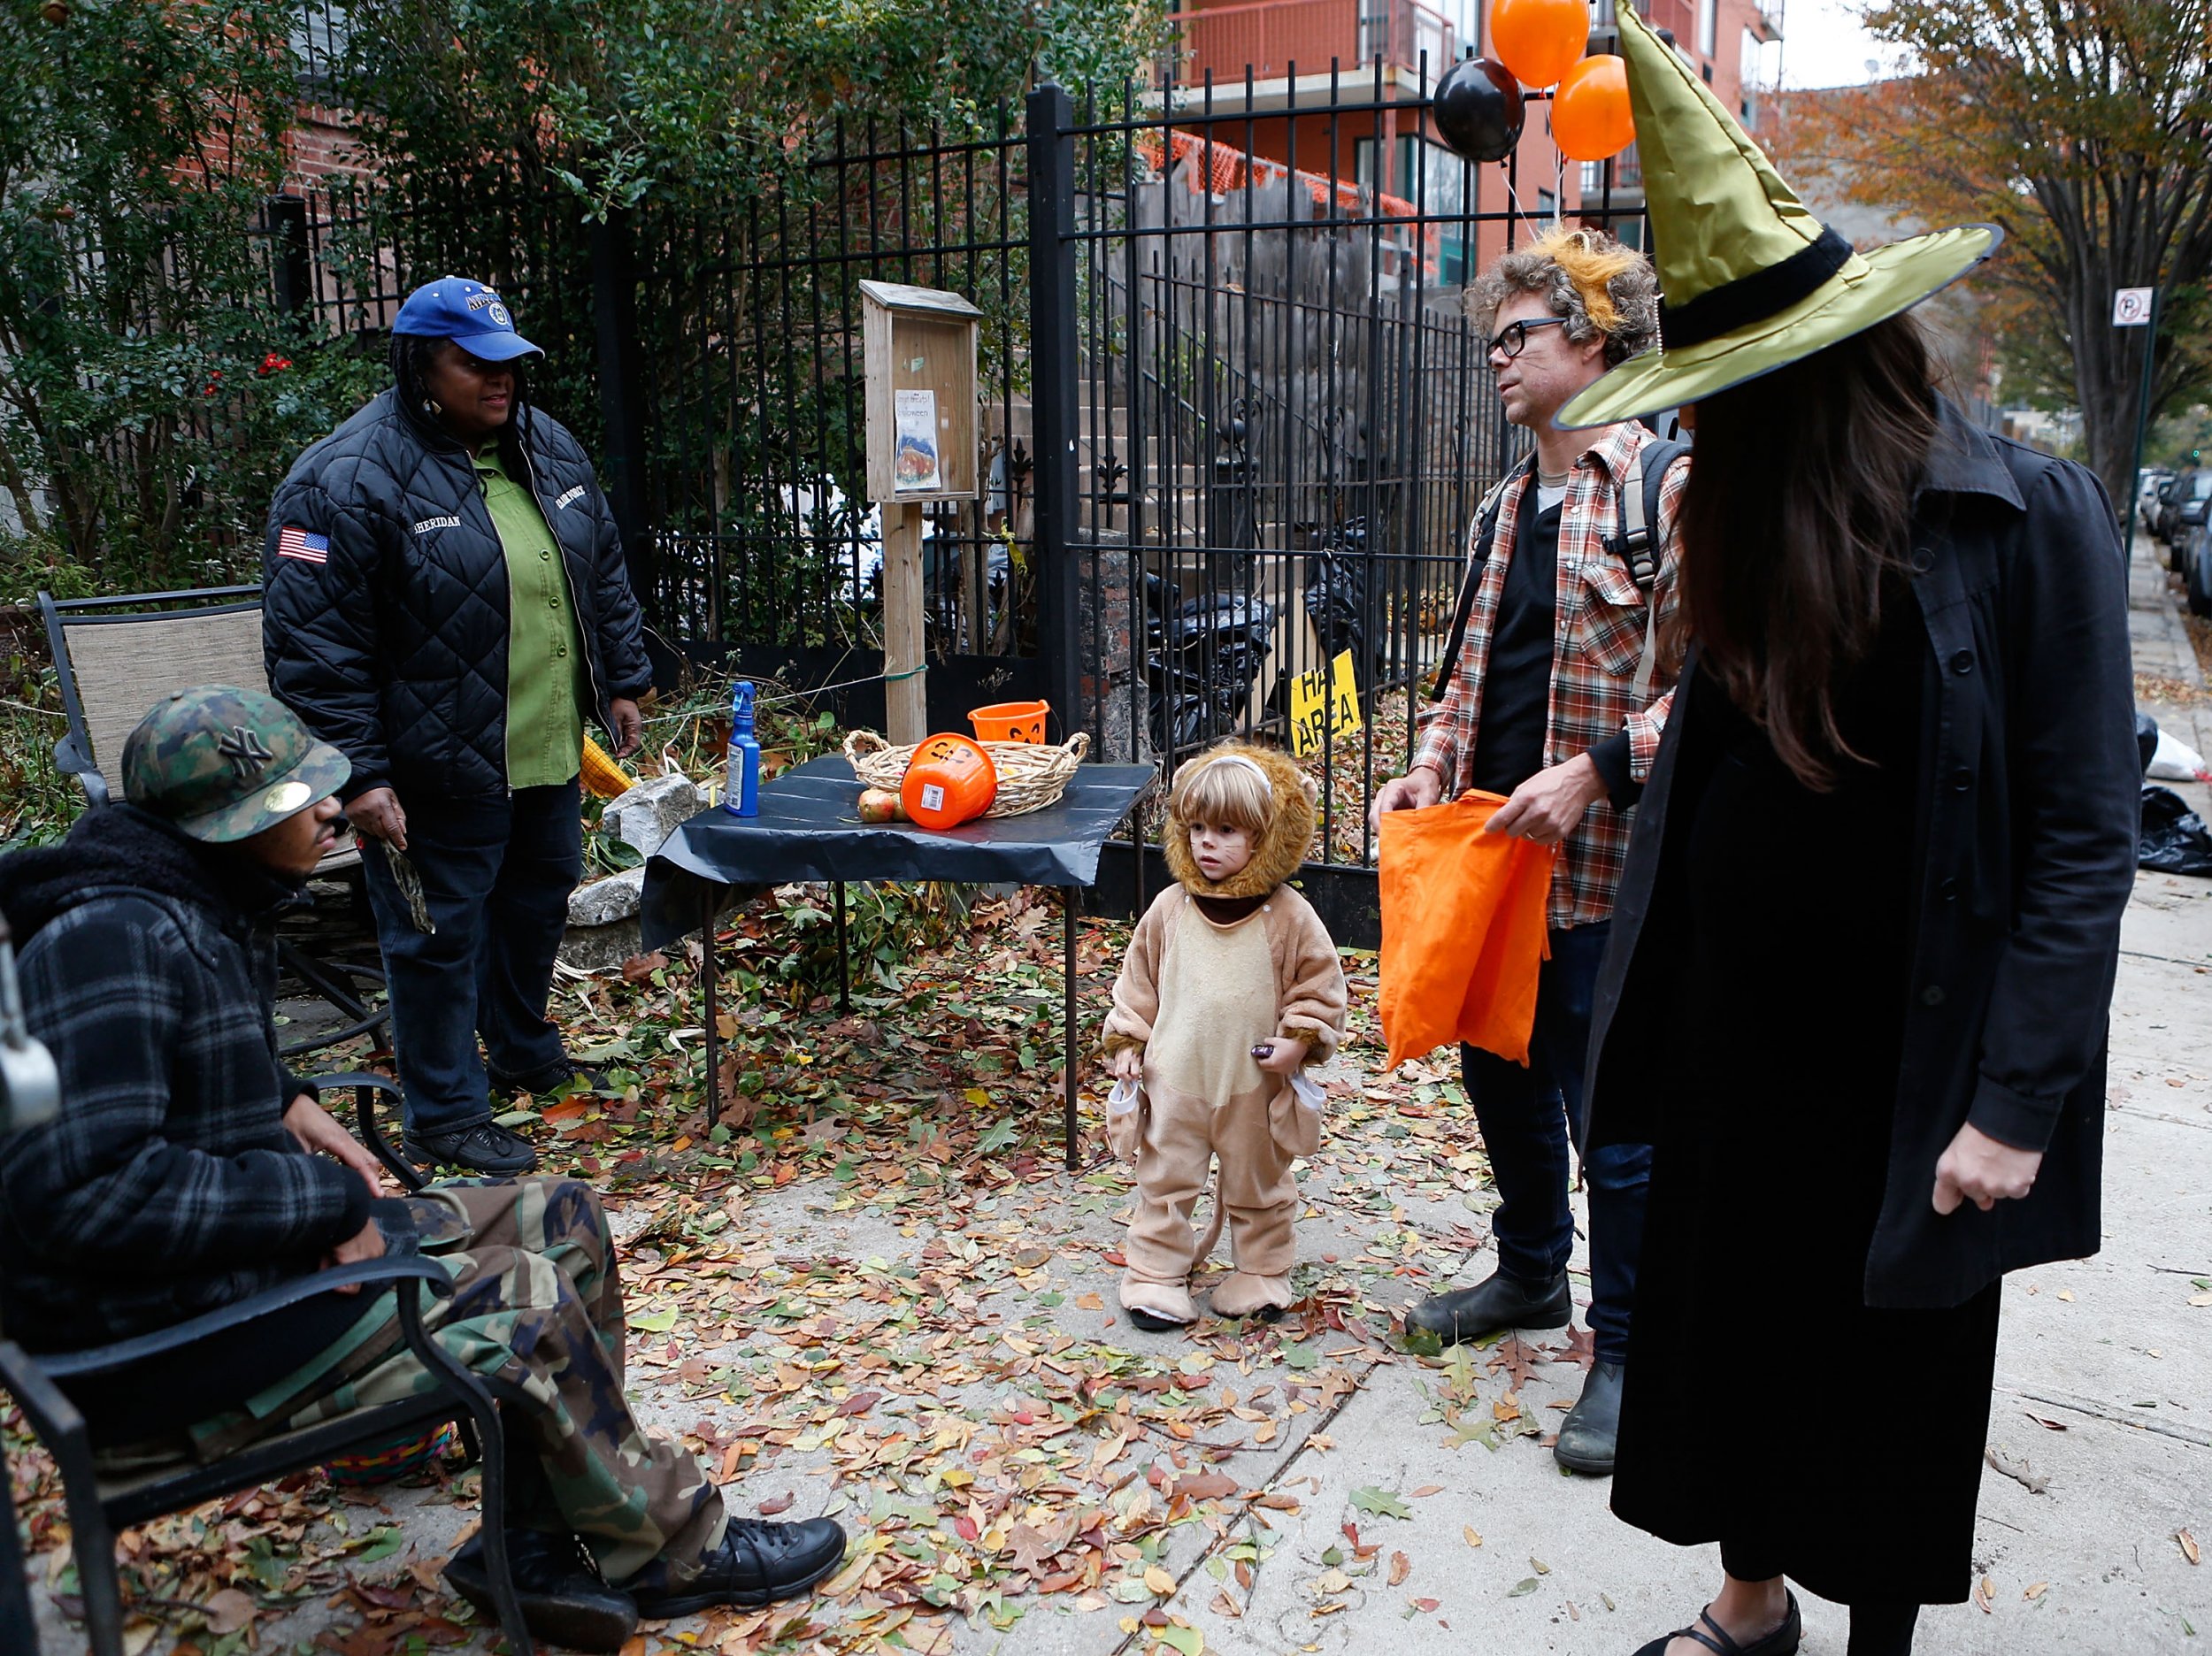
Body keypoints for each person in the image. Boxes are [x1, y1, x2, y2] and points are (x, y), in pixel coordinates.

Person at [1559, 14, 2138, 1656]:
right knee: (1735, 1330)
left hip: (1921, 1054)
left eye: (1731, 397)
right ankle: (1749, 1609)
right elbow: (1712, 776)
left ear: (1815, 372)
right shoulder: (1747, 519)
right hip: (1752, 1041)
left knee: (1893, 1378)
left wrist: (2016, 1102)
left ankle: (1872, 1631)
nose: (1701, 428)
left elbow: (2089, 836)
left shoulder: (2027, 520)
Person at [0, 687, 847, 1653]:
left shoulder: (180, 899)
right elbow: (85, 1195)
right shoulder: (110, 939)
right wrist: (318, 1205)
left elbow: (163, 1072)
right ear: (225, 829)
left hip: (216, 1284)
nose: (328, 807)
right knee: (519, 1301)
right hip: (163, 1349)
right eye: (295, 798)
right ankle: (678, 1550)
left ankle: (523, 1550)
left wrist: (280, 1092)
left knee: (559, 1215)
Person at [1370, 226, 1687, 1475]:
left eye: (1520, 336)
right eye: (1492, 340)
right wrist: (1428, 767)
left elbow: (1720, 684)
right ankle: (1528, 1277)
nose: (1497, 358)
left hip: (1609, 872)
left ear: (1595, 338)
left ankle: (1628, 1349)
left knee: (1613, 1116)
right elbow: (1469, 677)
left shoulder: (1666, 488)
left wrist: (1597, 773)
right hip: (1492, 859)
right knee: (1496, 1073)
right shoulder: (1507, 504)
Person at [264, 276, 654, 1177]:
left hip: (545, 746)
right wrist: (359, 775)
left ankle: (521, 1046)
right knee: (434, 938)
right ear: (417, 365)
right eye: (472, 364)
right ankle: (443, 1114)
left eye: (508, 364)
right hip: (433, 765)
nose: (498, 380)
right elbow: (314, 648)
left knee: (533, 904)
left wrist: (624, 678)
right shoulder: (341, 480)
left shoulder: (545, 446)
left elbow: (601, 572)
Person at [1102, 744, 1348, 1329]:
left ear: (1268, 836)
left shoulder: (1288, 917)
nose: (1206, 843)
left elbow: (1319, 986)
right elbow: (1137, 985)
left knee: (1258, 1179)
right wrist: (1128, 1044)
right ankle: (1156, 1275)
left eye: (1227, 829)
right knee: (1164, 1180)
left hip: (1251, 1087)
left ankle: (1259, 1271)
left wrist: (1299, 1041)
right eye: (1197, 829)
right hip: (1175, 1082)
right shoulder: (1170, 909)